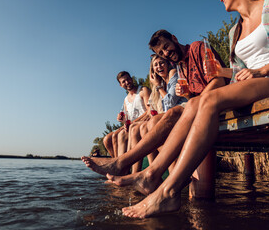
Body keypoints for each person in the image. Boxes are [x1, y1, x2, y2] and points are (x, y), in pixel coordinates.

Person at [121, 0, 269, 218]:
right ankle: (152, 175)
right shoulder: (234, 31)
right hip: (255, 84)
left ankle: (167, 190)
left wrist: (261, 71)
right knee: (196, 102)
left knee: (207, 98)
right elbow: (238, 74)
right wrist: (222, 74)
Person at [81, 31, 226, 187]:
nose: (166, 53)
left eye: (166, 47)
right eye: (161, 53)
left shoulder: (197, 48)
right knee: (154, 121)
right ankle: (151, 175)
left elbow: (220, 81)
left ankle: (123, 163)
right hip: (198, 105)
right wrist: (188, 95)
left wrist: (191, 98)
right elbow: (188, 98)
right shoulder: (181, 67)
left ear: (175, 39)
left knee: (171, 113)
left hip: (218, 100)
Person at [103, 71, 151, 159]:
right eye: (123, 82)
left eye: (128, 79)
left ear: (131, 79)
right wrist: (122, 119)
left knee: (119, 135)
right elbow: (128, 118)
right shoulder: (126, 100)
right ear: (121, 85)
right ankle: (116, 161)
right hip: (132, 125)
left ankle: (120, 163)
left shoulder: (143, 90)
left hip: (143, 124)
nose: (127, 82)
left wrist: (132, 123)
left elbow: (149, 111)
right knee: (107, 139)